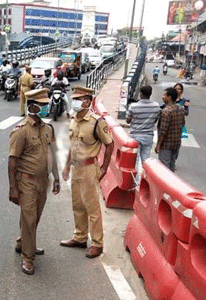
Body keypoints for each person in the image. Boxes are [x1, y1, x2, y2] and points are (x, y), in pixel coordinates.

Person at [8, 88, 60, 275]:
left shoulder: (47, 129)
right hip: (27, 181)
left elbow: (52, 153)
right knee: (29, 218)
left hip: (43, 181)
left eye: (47, 104)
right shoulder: (20, 131)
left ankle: (24, 242)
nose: (46, 107)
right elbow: (12, 160)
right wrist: (13, 188)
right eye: (43, 105)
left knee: (35, 216)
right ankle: (28, 257)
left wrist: (56, 177)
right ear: (32, 107)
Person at [60, 86, 114, 259]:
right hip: (76, 168)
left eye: (79, 99)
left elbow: (109, 144)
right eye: (74, 98)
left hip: (89, 168)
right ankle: (80, 237)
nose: (75, 102)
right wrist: (67, 165)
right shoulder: (74, 119)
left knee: (92, 208)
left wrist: (104, 168)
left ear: (88, 101)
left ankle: (97, 243)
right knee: (77, 205)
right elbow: (72, 145)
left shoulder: (97, 122)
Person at [126, 85, 161, 172]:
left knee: (135, 160)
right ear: (150, 94)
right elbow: (156, 120)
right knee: (145, 160)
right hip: (148, 136)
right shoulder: (156, 107)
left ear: (141, 94)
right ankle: (144, 179)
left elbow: (128, 120)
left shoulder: (133, 106)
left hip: (135, 136)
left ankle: (136, 181)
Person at [155, 87, 185, 172]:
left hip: (166, 145)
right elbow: (182, 124)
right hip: (176, 143)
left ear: (169, 97)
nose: (162, 97)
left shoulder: (166, 111)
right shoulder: (180, 109)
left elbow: (163, 130)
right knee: (172, 166)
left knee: (164, 168)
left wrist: (158, 145)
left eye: (164, 95)